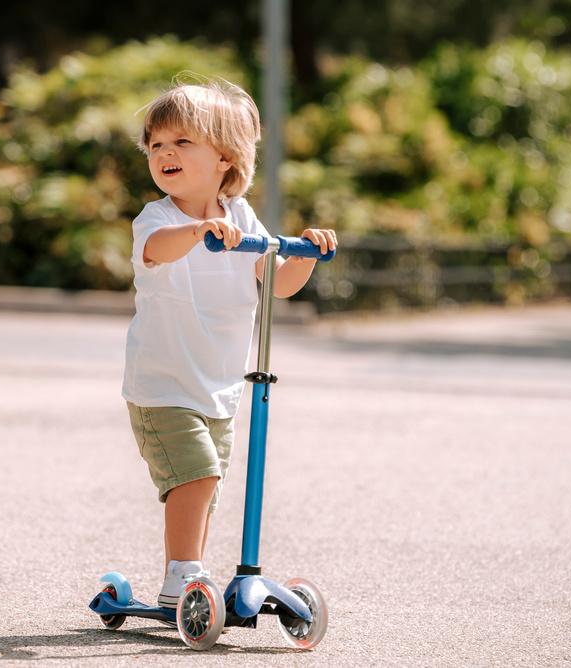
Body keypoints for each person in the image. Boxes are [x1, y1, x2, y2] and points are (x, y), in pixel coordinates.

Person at [121, 76, 337, 608]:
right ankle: (181, 580)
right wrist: (199, 233)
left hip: (220, 386)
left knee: (205, 487)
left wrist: (305, 254)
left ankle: (188, 575)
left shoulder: (241, 217)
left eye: (182, 142)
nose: (165, 153)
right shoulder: (159, 219)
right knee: (198, 475)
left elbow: (279, 283)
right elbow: (159, 251)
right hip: (163, 386)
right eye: (156, 146)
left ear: (225, 158)